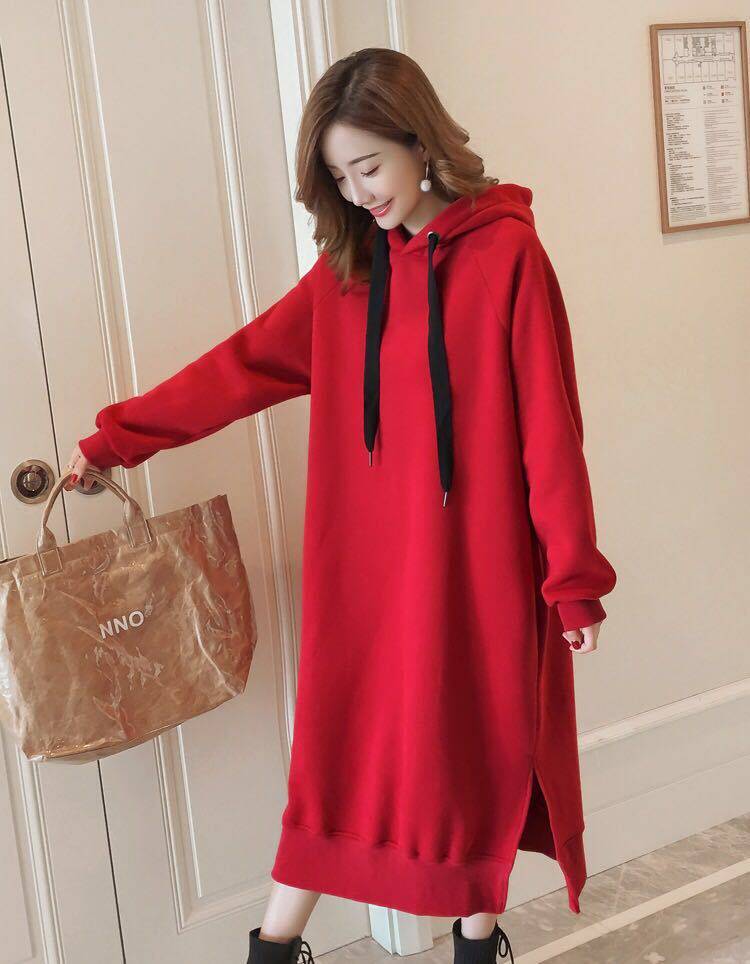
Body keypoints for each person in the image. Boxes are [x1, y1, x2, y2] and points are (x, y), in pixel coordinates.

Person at [66, 47, 616, 964]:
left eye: (370, 167)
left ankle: (475, 947)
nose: (359, 193)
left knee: (474, 754)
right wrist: (119, 438)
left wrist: (573, 580)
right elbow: (239, 367)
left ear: (421, 144)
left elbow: (550, 432)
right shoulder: (349, 277)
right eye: (339, 177)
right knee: (339, 769)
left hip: (477, 566)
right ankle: (275, 947)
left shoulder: (507, 255)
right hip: (363, 575)